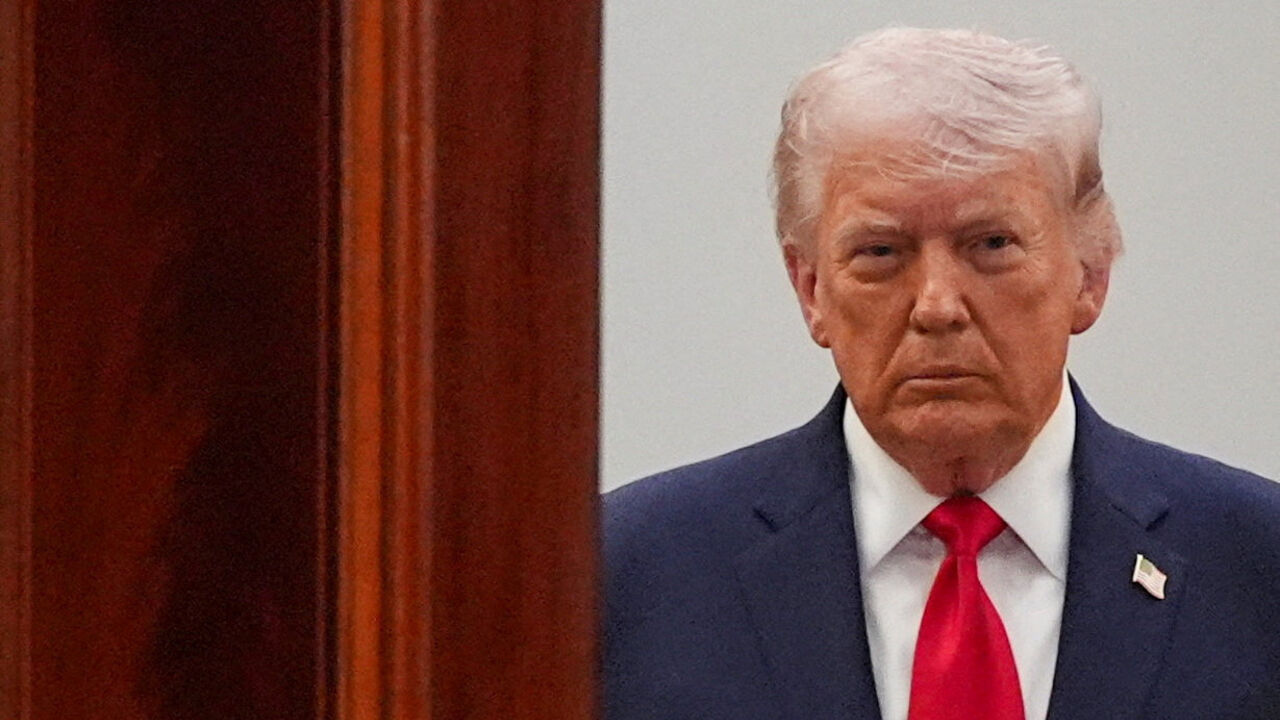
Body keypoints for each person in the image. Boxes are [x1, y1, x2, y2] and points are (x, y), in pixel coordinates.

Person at [602, 27, 1280, 720]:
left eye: (990, 244)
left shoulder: (1259, 568)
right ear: (811, 290)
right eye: (880, 252)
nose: (936, 306)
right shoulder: (625, 579)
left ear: (1091, 273)